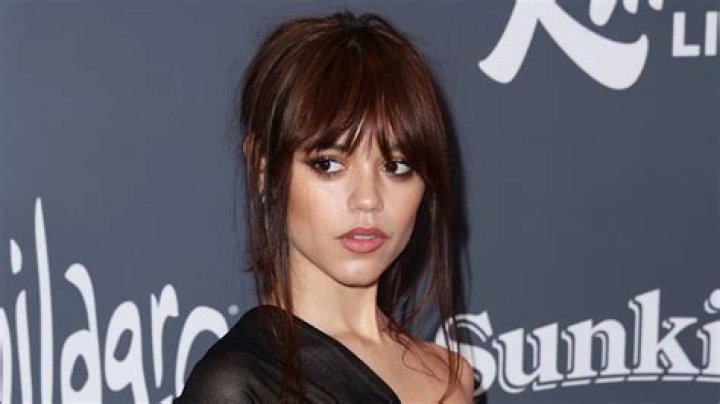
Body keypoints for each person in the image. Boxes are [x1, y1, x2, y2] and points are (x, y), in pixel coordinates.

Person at [176, 10, 474, 403]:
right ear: (263, 171)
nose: (367, 199)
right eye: (329, 164)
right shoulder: (236, 386)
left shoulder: (451, 377)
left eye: (396, 166)